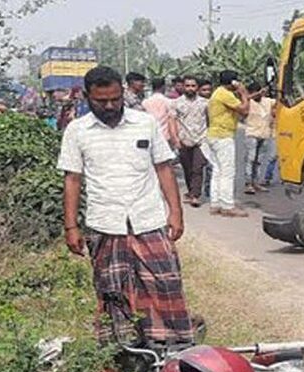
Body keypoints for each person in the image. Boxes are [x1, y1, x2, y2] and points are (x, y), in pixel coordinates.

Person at [57, 66, 193, 349]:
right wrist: (71, 226)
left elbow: (164, 168)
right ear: (86, 97)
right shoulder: (77, 131)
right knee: (112, 290)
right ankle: (118, 352)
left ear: (123, 93)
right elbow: (72, 179)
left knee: (164, 283)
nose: (110, 106)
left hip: (148, 219)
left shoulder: (145, 123)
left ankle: (171, 346)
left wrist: (176, 212)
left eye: (115, 99)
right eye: (101, 101)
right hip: (105, 222)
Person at [207, 70, 250, 218]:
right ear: (233, 82)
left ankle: (216, 203)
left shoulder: (218, 92)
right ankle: (227, 205)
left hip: (214, 135)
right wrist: (243, 93)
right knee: (227, 172)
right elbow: (244, 110)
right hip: (223, 136)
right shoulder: (225, 94)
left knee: (218, 171)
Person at [174, 76, 209, 207]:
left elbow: (210, 120)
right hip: (184, 141)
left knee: (197, 168)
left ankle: (195, 195)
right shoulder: (176, 103)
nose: (190, 88)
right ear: (183, 87)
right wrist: (175, 139)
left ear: (197, 88)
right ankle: (191, 191)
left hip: (201, 140)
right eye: (187, 86)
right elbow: (172, 121)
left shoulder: (206, 103)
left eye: (193, 86)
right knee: (187, 169)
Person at [242, 82, 275, 194]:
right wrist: (256, 94)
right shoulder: (249, 102)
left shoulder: (268, 101)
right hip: (251, 133)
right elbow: (245, 99)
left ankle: (256, 182)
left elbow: (279, 103)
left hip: (265, 134)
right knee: (250, 159)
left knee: (259, 160)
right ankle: (248, 183)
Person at [143, 78, 180, 149]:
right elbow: (172, 121)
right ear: (163, 87)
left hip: (150, 135)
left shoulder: (145, 102)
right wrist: (175, 139)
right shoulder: (168, 102)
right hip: (165, 137)